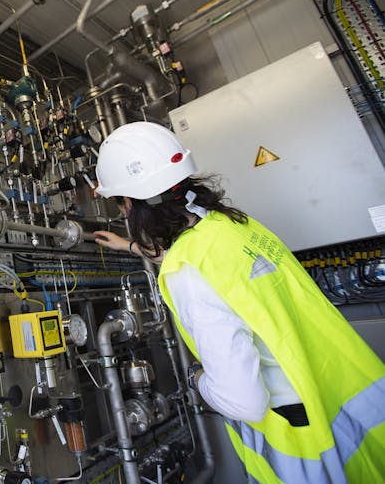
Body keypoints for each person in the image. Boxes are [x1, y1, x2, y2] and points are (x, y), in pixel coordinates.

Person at [93, 122, 385, 484]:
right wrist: (130, 246)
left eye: (120, 203)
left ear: (134, 203)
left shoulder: (187, 272)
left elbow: (243, 402)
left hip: (306, 442)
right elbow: (210, 268)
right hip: (356, 404)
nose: (122, 213)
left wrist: (197, 379)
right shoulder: (235, 227)